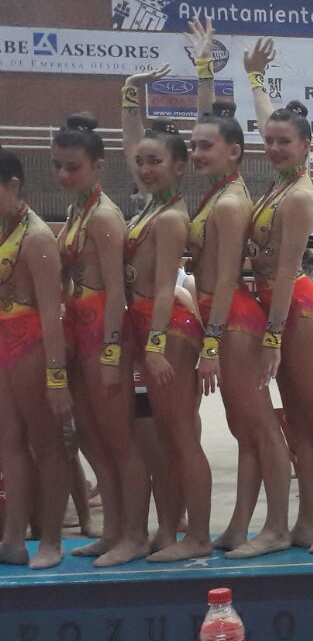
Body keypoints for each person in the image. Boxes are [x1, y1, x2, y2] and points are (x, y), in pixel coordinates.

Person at [182, 21, 296, 559]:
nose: (195, 152)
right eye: (193, 146)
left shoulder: (230, 201)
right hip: (222, 316)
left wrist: (210, 343)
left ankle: (278, 527)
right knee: (242, 427)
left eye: (204, 148)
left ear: (233, 152)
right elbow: (211, 127)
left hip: (233, 320)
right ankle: (239, 526)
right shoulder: (217, 186)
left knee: (260, 426)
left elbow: (227, 278)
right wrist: (205, 70)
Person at [238, 38, 313, 555]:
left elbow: (285, 274)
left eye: (285, 142)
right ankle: (305, 522)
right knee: (298, 422)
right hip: (277, 306)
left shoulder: (300, 196)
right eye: (269, 142)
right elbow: (269, 118)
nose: (275, 148)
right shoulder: (281, 183)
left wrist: (271, 337)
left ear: (306, 146)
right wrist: (255, 79)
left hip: (297, 310)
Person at [116, 71, 219, 562]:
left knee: (180, 437)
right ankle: (167, 529)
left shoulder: (173, 216)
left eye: (155, 162)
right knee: (162, 437)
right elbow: (132, 143)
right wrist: (129, 94)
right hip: (147, 326)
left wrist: (155, 346)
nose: (144, 168)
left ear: (180, 167)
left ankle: (196, 536)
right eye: (141, 162)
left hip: (170, 330)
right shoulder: (149, 206)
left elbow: (163, 287)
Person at [50, 115, 149, 567]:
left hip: (103, 334)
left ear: (98, 166)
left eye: (73, 167)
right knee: (91, 438)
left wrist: (111, 355)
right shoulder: (78, 210)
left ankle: (135, 534)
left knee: (120, 439)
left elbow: (116, 292)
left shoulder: (106, 215)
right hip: (79, 330)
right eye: (58, 166)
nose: (63, 175)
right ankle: (112, 529)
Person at [0, 150, 74, 569]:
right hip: (4, 346)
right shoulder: (5, 229)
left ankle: (51, 539)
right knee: (9, 444)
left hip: (33, 346)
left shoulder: (38, 237)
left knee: (46, 444)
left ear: (13, 185)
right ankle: (12, 538)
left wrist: (56, 377)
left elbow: (51, 313)